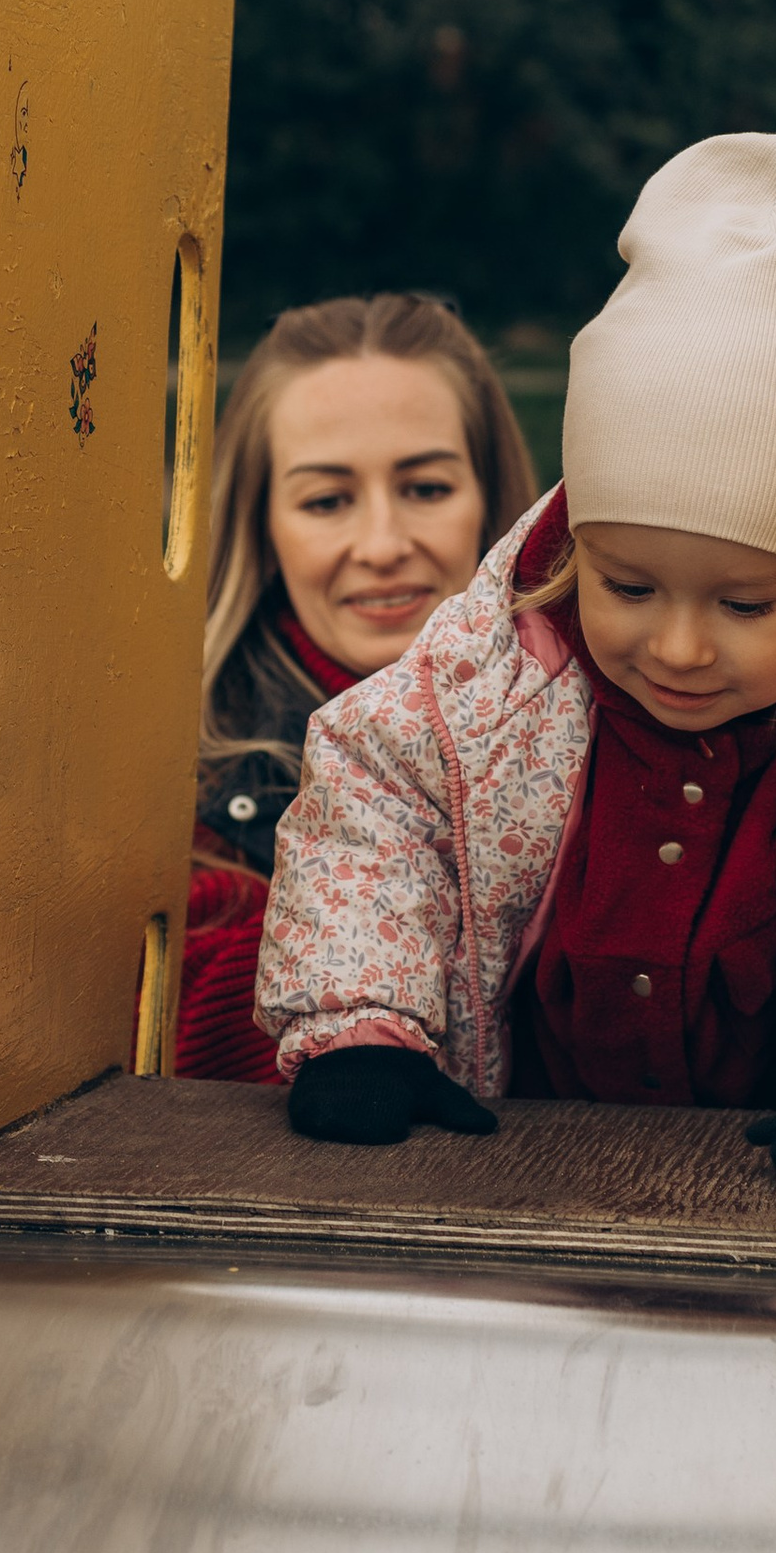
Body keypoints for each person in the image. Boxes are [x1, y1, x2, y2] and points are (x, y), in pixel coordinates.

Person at [256, 131, 776, 1186]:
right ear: (574, 551)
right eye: (629, 587)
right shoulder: (495, 689)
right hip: (526, 1175)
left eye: (745, 603)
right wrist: (362, 1024)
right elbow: (375, 813)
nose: (680, 647)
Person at [175, 295, 537, 1081]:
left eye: (426, 488)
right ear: (262, 527)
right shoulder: (188, 769)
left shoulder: (616, 714)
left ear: (494, 506)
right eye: (327, 501)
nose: (382, 545)